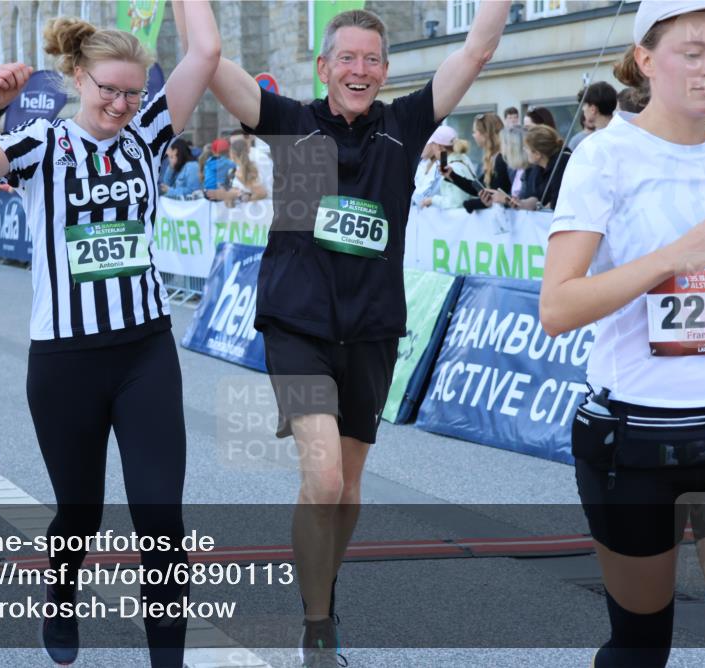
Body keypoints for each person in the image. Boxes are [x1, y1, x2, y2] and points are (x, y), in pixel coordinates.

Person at [194, 3, 510, 665]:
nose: (359, 70)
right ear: (324, 66)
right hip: (298, 323)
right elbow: (211, 60)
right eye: (348, 58)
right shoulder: (290, 123)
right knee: (326, 476)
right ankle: (316, 627)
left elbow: (477, 48)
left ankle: (322, 589)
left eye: (371, 60)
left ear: (385, 70)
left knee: (350, 488)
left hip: (370, 328)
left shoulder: (403, 125)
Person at [0, 3, 220, 665]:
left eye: (133, 91)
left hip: (145, 352)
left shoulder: (150, 132)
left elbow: (205, 53)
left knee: (161, 522)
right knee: (80, 515)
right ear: (77, 77)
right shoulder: (43, 144)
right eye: (109, 90)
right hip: (66, 360)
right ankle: (62, 594)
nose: (123, 104)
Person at [540, 2, 705, 666]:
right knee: (640, 644)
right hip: (633, 441)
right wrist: (669, 259)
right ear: (648, 60)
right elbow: (558, 308)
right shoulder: (605, 157)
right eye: (694, 51)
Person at [443, 112, 511, 212]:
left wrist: (469, 204)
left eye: (475, 132)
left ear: (485, 134)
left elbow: (496, 197)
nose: (473, 135)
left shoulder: (501, 159)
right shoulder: (494, 158)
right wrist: (452, 175)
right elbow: (478, 189)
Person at [498, 124, 571, 210]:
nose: (524, 150)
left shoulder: (561, 164)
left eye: (526, 148)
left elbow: (556, 202)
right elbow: (535, 197)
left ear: (537, 154)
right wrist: (520, 203)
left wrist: (541, 209)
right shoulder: (537, 168)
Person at [411, 125, 473, 211]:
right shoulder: (464, 160)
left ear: (439, 147)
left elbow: (456, 203)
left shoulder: (452, 167)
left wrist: (432, 200)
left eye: (433, 145)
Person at [570, 81, 619, 150]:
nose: (583, 109)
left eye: (584, 105)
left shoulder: (593, 143)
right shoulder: (624, 132)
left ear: (593, 109)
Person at [501, 125, 530, 199]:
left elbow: (523, 199)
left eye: (504, 143)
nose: (501, 146)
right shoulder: (512, 169)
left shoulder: (532, 170)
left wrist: (504, 199)